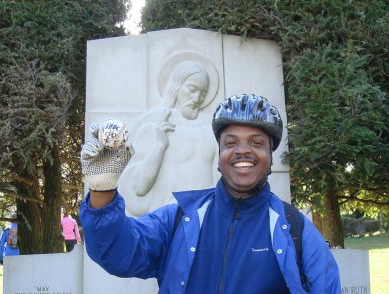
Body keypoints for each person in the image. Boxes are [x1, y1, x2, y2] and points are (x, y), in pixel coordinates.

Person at [80, 94, 341, 293]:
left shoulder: (295, 228)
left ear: (270, 158)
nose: (242, 151)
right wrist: (102, 189)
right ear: (219, 157)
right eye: (230, 142)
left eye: (256, 143)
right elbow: (118, 254)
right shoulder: (178, 219)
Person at [120, 60, 218, 216]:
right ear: (177, 86)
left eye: (203, 93)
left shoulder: (214, 127)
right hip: (165, 219)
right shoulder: (154, 123)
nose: (198, 98)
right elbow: (139, 187)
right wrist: (160, 146)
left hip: (206, 217)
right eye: (192, 89)